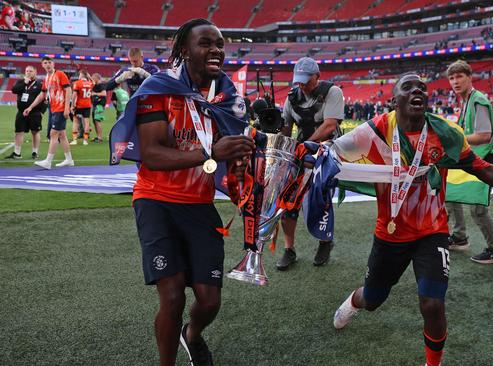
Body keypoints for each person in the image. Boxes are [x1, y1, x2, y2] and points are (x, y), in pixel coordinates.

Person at [328, 73, 493, 366]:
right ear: (394, 100)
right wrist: (308, 155)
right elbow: (332, 154)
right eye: (408, 87)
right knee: (373, 299)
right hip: (390, 233)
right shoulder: (375, 130)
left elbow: (484, 169)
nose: (417, 90)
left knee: (432, 304)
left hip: (432, 232)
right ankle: (355, 302)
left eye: (422, 88)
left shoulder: (445, 133)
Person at [114, 18, 254, 366]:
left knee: (209, 301)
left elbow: (230, 155)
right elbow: (152, 153)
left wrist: (241, 164)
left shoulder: (228, 99)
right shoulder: (158, 89)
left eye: (220, 44)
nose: (216, 50)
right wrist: (210, 154)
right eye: (206, 43)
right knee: (173, 296)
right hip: (155, 199)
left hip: (199, 202)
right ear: (183, 50)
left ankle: (191, 335)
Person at [276, 56, 345, 270]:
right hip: (300, 151)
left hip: (326, 151)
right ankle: (289, 249)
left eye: (307, 80)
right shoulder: (291, 97)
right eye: (299, 80)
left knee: (320, 197)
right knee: (287, 197)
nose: (302, 85)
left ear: (318, 76)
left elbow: (329, 125)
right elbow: (286, 129)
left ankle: (325, 241)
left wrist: (305, 144)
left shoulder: (332, 92)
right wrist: (278, 138)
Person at [445, 60, 493, 264]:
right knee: (451, 193)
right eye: (452, 78)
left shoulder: (478, 100)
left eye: (459, 76)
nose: (455, 81)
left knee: (478, 208)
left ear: (469, 78)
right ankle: (459, 237)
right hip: (473, 158)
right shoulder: (467, 101)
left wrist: (455, 136)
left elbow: (483, 136)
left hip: (487, 159)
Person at [23, 56, 74, 169]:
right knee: (62, 135)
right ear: (42, 65)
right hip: (53, 108)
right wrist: (30, 107)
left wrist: (67, 108)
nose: (47, 65)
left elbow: (68, 90)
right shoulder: (47, 78)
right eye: (45, 63)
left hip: (60, 108)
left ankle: (48, 161)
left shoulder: (60, 74)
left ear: (53, 64)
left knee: (53, 134)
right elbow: (42, 95)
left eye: (49, 62)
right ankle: (69, 160)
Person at [5, 65, 44, 159]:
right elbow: (14, 90)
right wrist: (24, 83)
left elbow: (45, 99)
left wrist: (42, 112)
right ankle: (17, 153)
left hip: (35, 112)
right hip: (21, 112)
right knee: (18, 132)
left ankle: (35, 152)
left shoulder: (40, 84)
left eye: (30, 71)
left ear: (35, 72)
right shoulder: (20, 81)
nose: (28, 73)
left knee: (35, 132)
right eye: (27, 71)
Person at [70, 70, 94, 146]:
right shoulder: (90, 83)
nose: (79, 76)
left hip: (79, 105)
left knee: (75, 122)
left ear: (81, 75)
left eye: (79, 74)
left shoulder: (77, 83)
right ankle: (85, 140)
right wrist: (89, 76)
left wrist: (72, 105)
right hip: (87, 105)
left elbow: (74, 95)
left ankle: (74, 140)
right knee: (86, 123)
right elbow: (94, 82)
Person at [90, 73, 107, 142]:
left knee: (97, 121)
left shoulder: (101, 85)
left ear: (97, 78)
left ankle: (100, 137)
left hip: (99, 105)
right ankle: (98, 136)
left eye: (93, 78)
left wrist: (95, 94)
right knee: (95, 121)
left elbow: (104, 93)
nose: (92, 80)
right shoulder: (95, 86)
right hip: (95, 105)